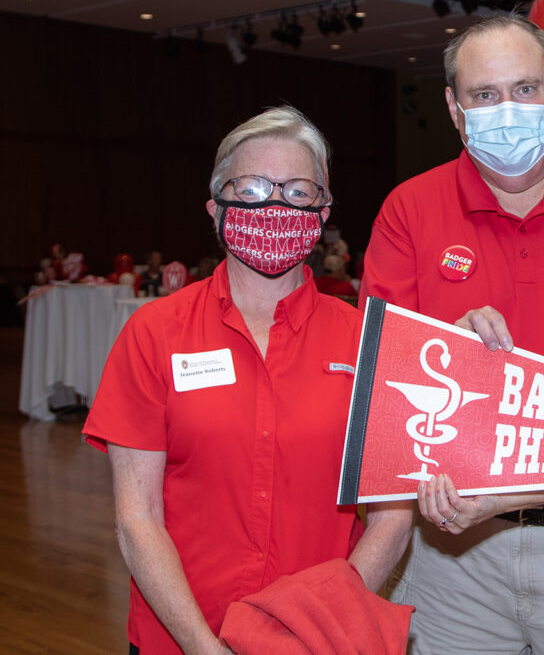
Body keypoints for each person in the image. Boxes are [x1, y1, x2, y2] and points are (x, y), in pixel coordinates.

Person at [360, 13, 544, 654]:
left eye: (525, 89)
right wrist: (443, 348)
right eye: (485, 95)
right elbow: (379, 384)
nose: (508, 109)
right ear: (453, 107)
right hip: (453, 554)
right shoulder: (409, 212)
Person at [83, 106, 411, 654]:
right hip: (178, 640)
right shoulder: (154, 334)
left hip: (320, 642)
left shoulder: (368, 344)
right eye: (254, 187)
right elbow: (137, 518)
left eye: (299, 191)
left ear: (323, 211)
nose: (277, 204)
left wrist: (315, 628)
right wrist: (203, 647)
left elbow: (392, 520)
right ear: (216, 209)